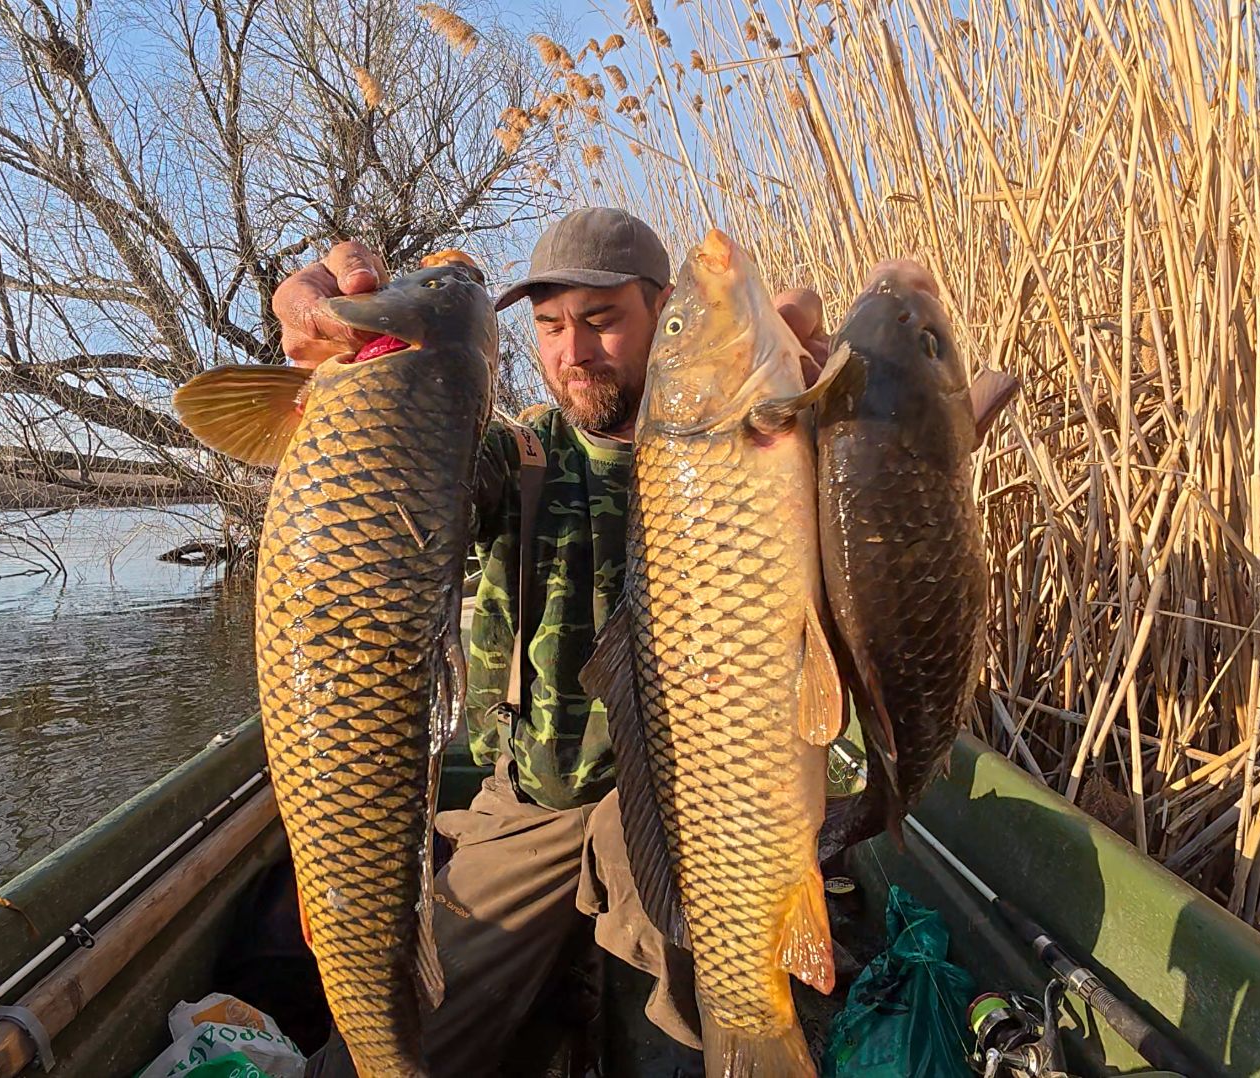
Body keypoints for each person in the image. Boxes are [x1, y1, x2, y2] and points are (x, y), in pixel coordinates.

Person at [270, 208, 1011, 1076]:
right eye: (549, 327)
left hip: (683, 802)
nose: (572, 352)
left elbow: (870, 584)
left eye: (601, 320)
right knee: (386, 1046)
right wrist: (351, 359)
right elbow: (386, 498)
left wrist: (873, 454)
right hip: (527, 809)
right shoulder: (515, 456)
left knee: (702, 1014)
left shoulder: (776, 446)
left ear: (662, 313)